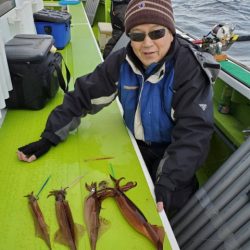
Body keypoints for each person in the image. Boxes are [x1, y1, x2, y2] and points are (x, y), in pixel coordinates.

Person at [17, 0, 219, 217]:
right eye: (137, 35)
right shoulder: (121, 62)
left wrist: (168, 181)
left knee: (169, 212)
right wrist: (49, 137)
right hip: (136, 146)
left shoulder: (189, 70)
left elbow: (194, 133)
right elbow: (83, 95)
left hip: (173, 154)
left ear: (171, 32)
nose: (147, 43)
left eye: (157, 33)